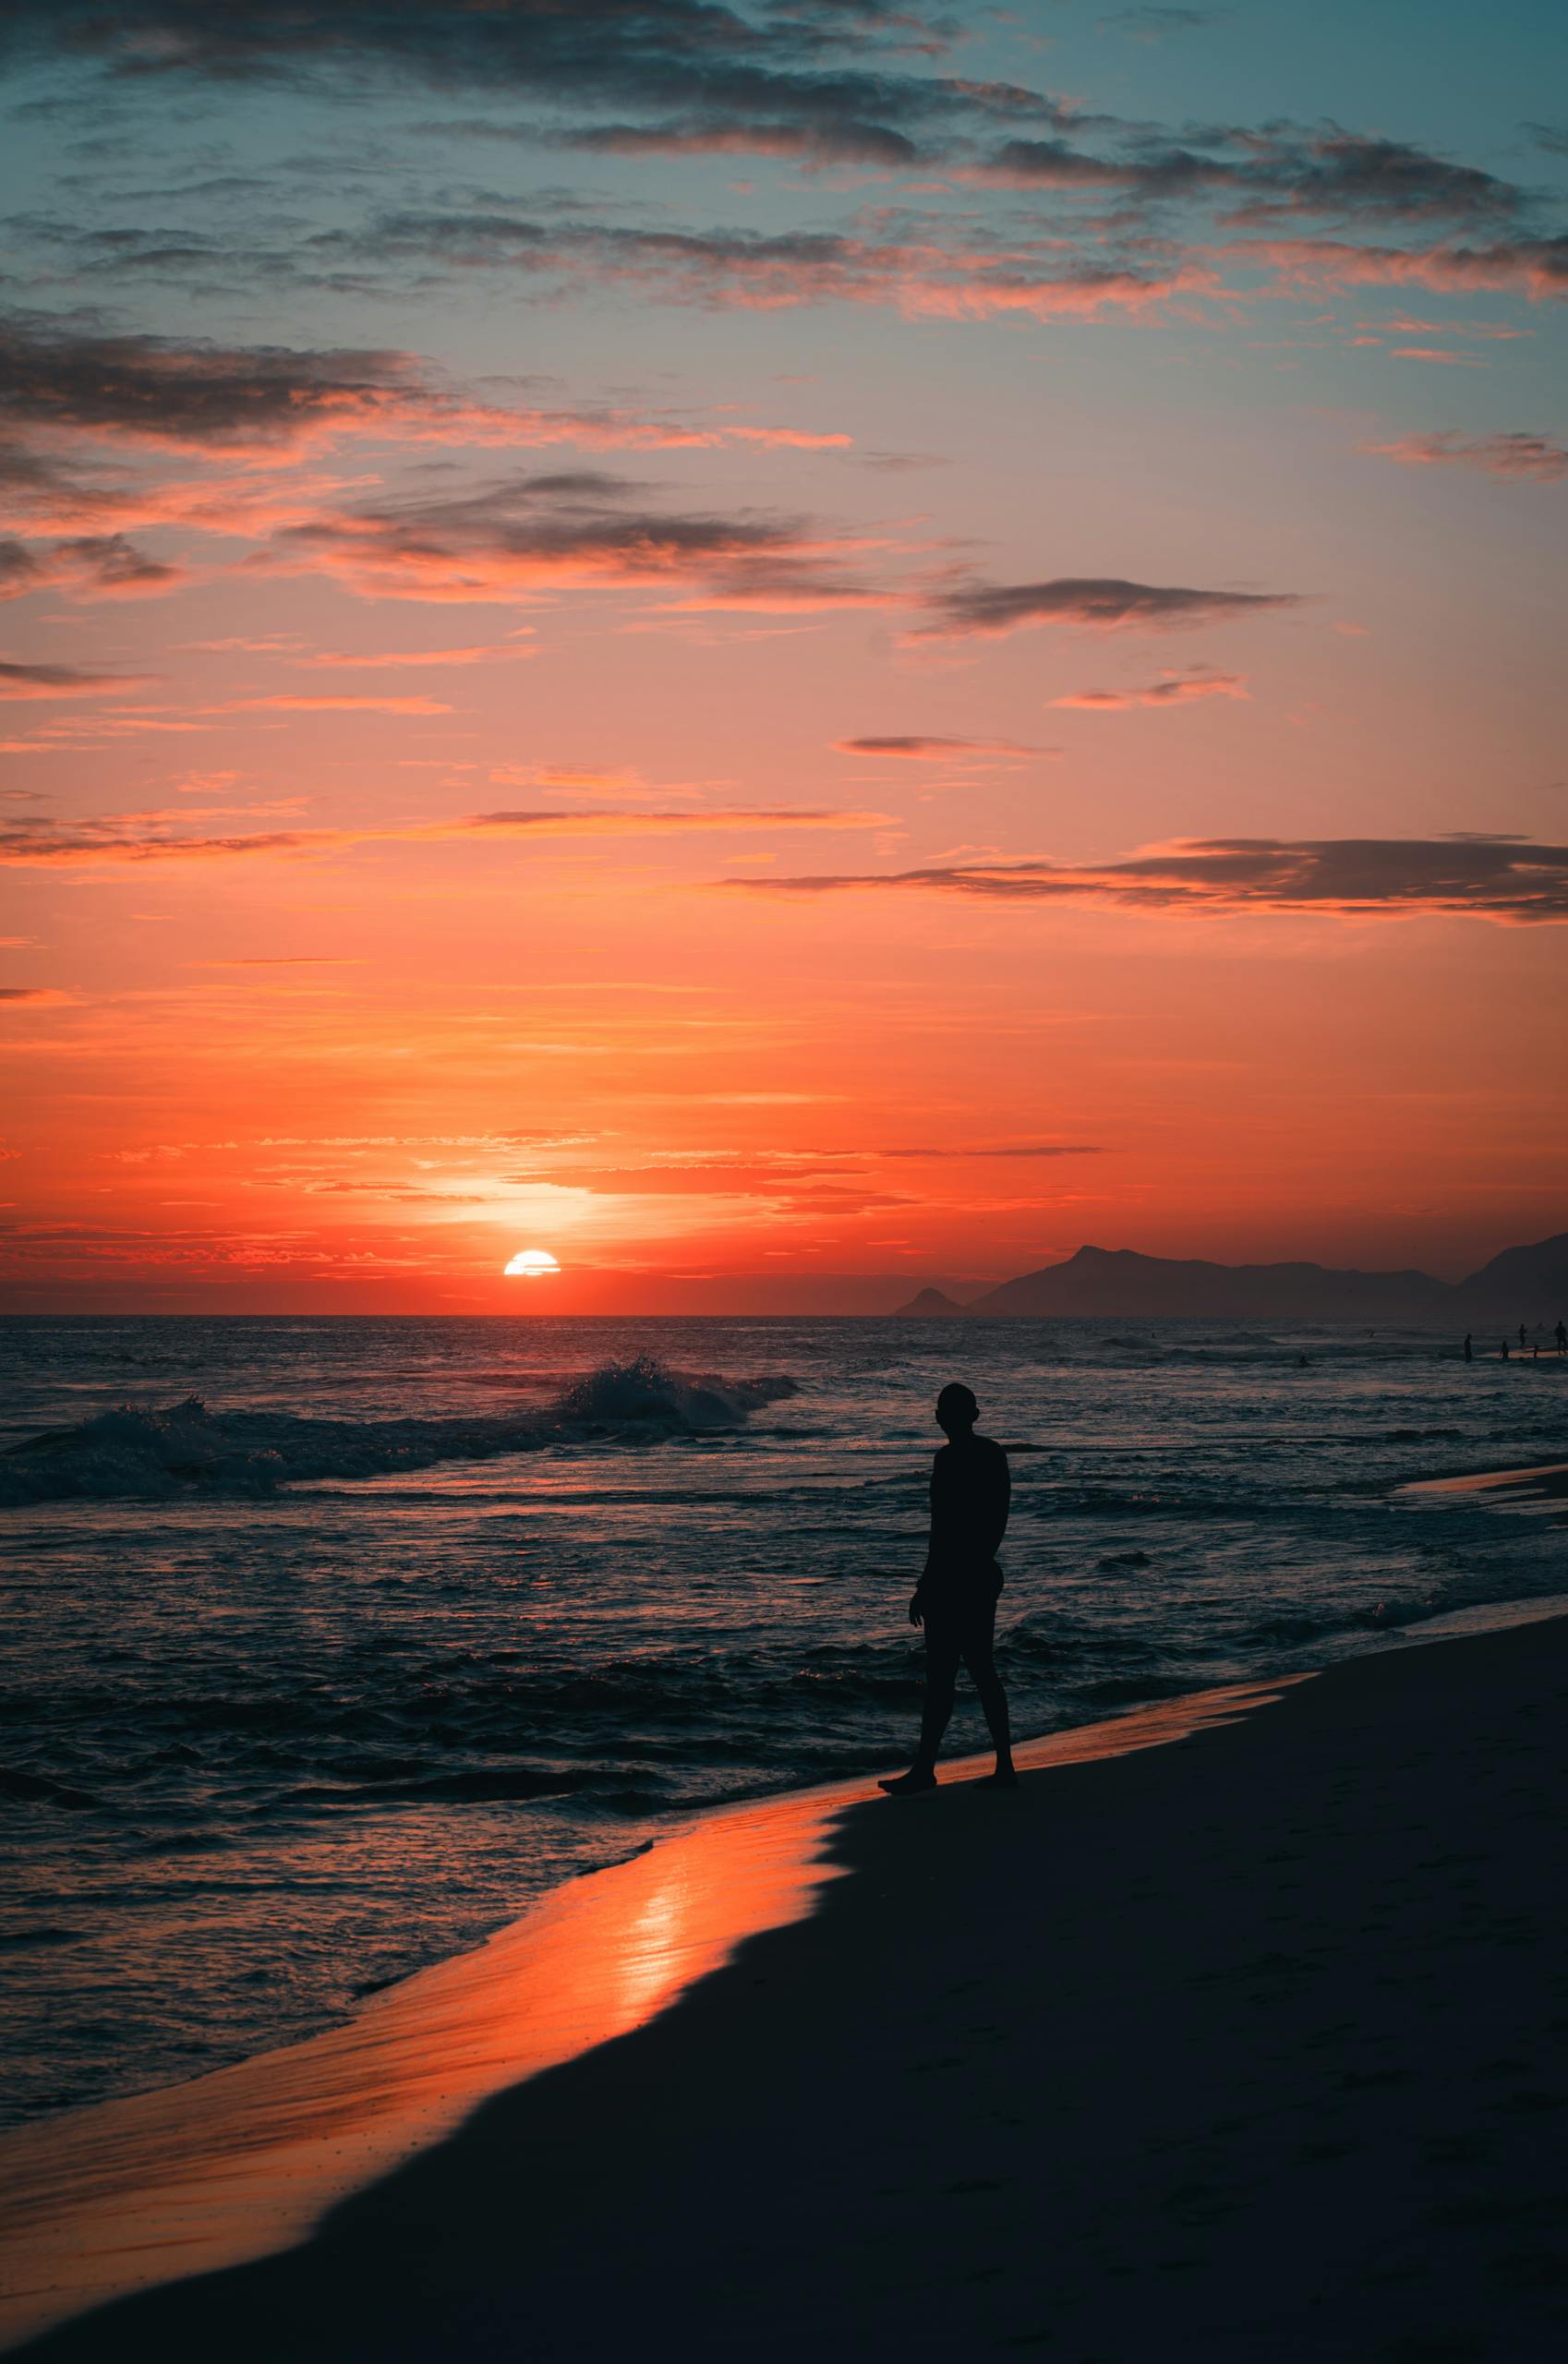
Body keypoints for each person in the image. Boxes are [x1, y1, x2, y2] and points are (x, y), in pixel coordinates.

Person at [879, 1382, 1017, 1795]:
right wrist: (981, 1562)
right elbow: (997, 1518)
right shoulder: (992, 1454)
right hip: (980, 1573)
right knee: (981, 1669)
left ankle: (926, 1769)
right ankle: (1003, 1765)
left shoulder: (950, 1459)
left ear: (942, 1418)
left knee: (944, 1676)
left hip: (956, 1578)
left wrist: (927, 1584)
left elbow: (943, 1530)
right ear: (974, 1416)